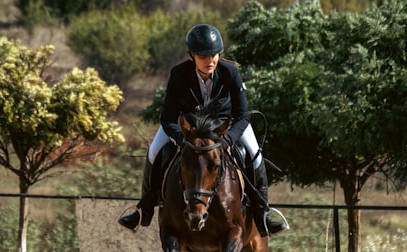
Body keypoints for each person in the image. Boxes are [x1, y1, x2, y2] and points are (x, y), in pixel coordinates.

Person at [118, 23, 289, 237]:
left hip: (225, 126)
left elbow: (243, 115)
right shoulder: (179, 74)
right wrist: (180, 137)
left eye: (213, 55)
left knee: (255, 157)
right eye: (203, 56)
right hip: (189, 129)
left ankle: (263, 214)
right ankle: (143, 210)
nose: (210, 61)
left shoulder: (230, 72)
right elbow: (167, 117)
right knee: (154, 152)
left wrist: (229, 139)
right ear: (192, 56)